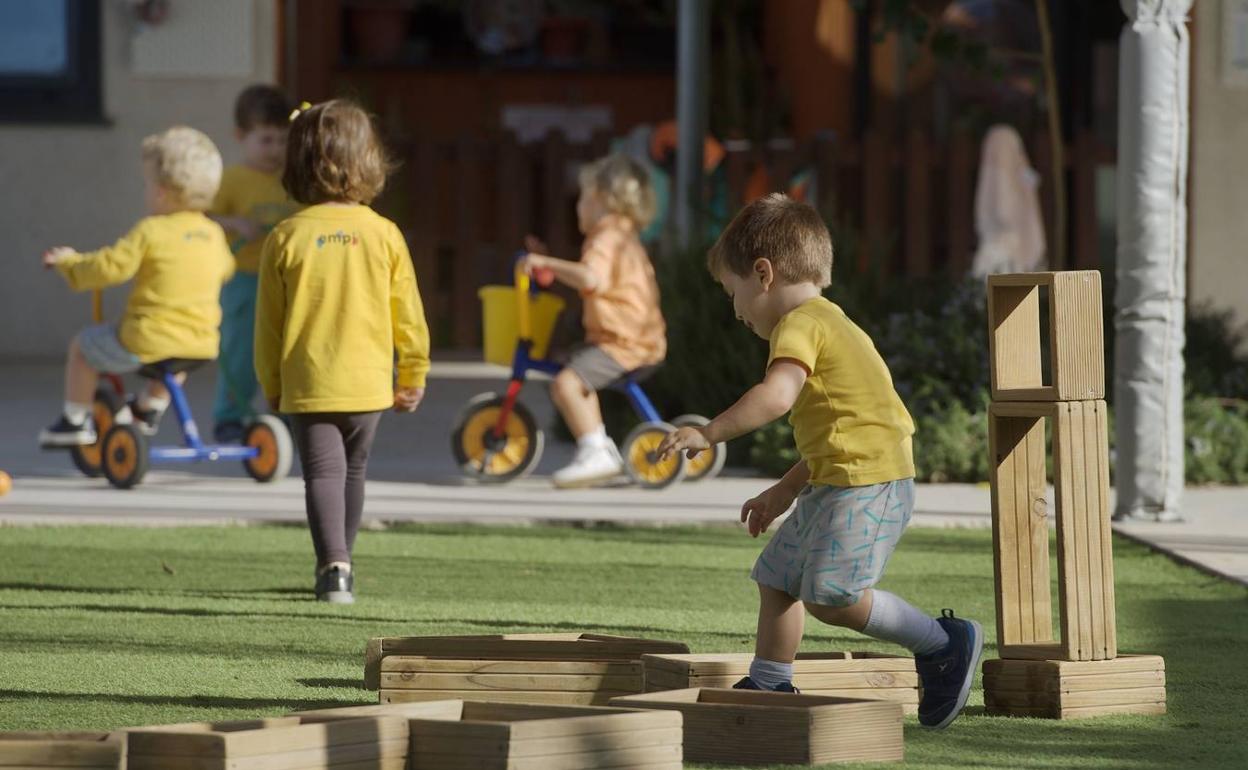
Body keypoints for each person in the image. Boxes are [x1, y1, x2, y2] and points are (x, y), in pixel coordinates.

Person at [658, 194, 983, 730]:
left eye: (731, 292)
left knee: (831, 596)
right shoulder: (827, 322)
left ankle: (942, 642)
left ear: (762, 274)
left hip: (869, 485)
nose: (734, 310)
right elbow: (839, 433)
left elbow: (776, 396)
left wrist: (709, 432)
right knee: (778, 578)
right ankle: (769, 680)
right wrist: (783, 491)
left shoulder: (800, 324)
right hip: (842, 479)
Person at [254, 99, 430, 604]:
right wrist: (413, 370)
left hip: (309, 382)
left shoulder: (284, 236)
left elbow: (268, 326)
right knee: (353, 471)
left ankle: (334, 566)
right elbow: (408, 313)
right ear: (368, 162)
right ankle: (342, 563)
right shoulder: (384, 234)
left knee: (322, 474)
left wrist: (271, 382)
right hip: (369, 384)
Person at [40, 127, 233, 447]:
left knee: (83, 348)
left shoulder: (151, 231)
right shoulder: (213, 234)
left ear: (160, 192)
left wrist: (70, 263)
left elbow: (110, 267)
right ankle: (147, 409)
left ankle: (75, 420)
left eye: (146, 184)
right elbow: (225, 269)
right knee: (175, 357)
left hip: (147, 339)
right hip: (201, 342)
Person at [519, 154, 666, 488]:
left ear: (602, 200)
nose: (578, 207)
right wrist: (551, 265)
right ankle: (599, 448)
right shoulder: (624, 237)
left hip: (623, 343)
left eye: (582, 198)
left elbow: (591, 279)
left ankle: (595, 451)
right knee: (573, 370)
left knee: (566, 383)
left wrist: (546, 262)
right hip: (636, 340)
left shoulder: (605, 238)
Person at [208, 84, 302, 442]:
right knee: (241, 351)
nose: (275, 150)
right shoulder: (232, 180)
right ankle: (231, 415)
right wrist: (234, 224)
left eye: (282, 140)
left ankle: (281, 414)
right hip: (244, 279)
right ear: (241, 136)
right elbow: (202, 216)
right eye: (266, 140)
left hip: (287, 280)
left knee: (286, 350)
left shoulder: (293, 179)